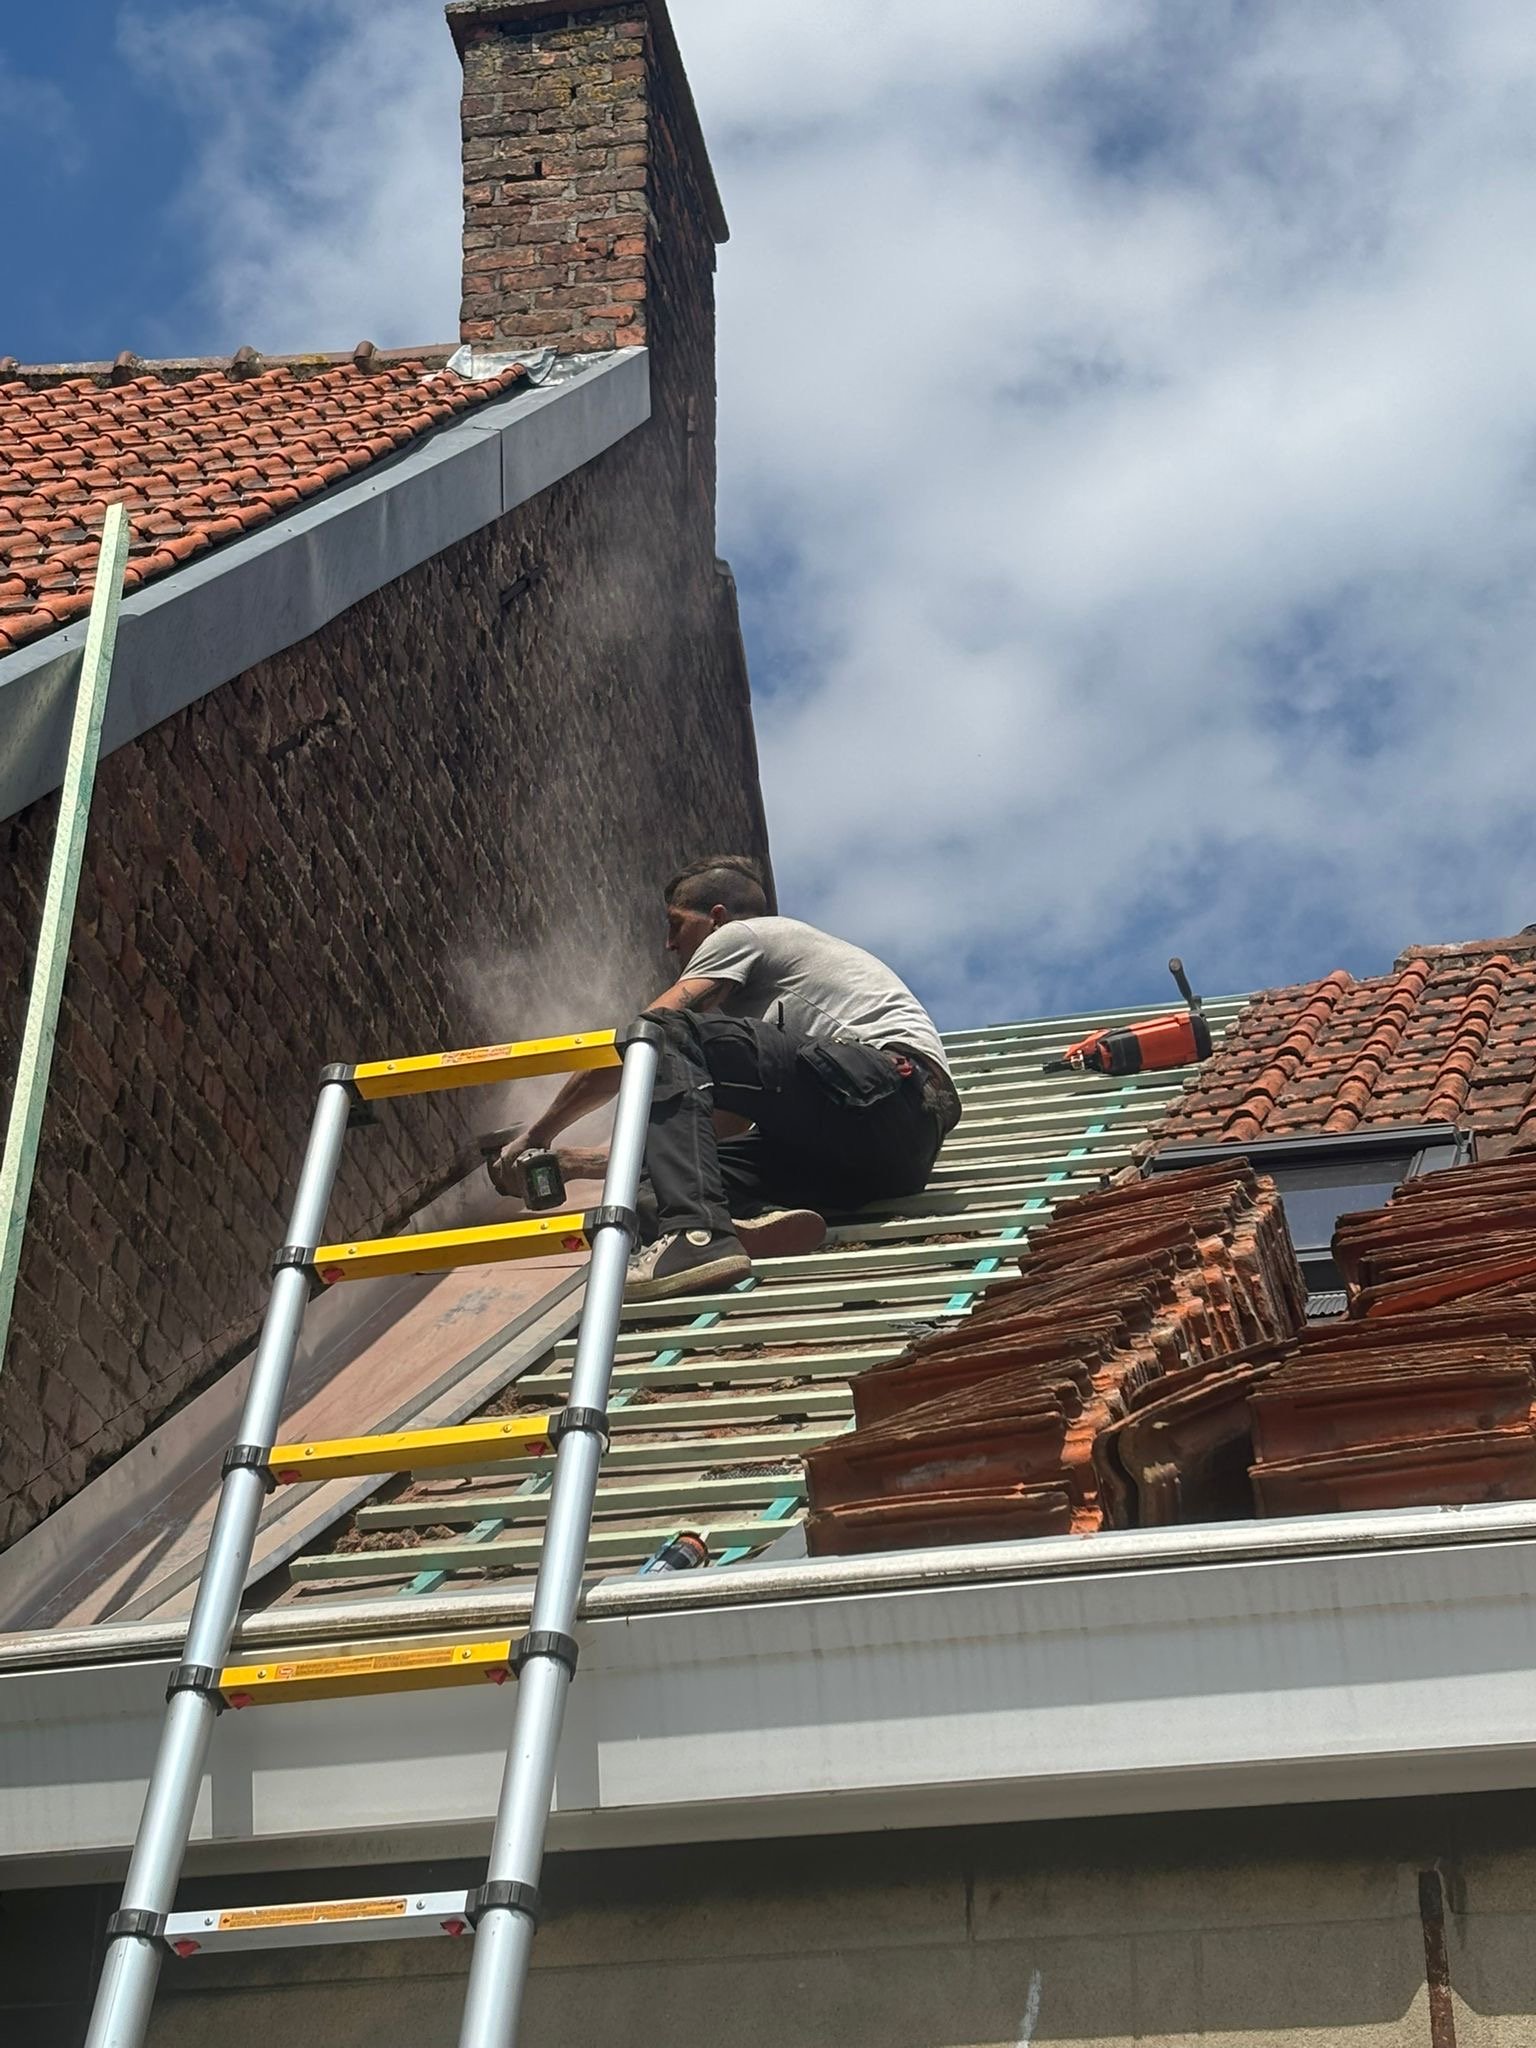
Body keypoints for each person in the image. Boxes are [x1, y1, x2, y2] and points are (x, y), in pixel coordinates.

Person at [491, 856, 962, 1301]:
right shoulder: (757, 1040)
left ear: (716, 918)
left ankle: (697, 1234)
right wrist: (573, 1163)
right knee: (651, 1191)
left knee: (663, 1033)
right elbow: (712, 1131)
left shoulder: (744, 934)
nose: (670, 944)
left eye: (676, 925)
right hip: (886, 1165)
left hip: (891, 1088)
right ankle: (745, 1222)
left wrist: (538, 1133)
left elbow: (647, 1038)